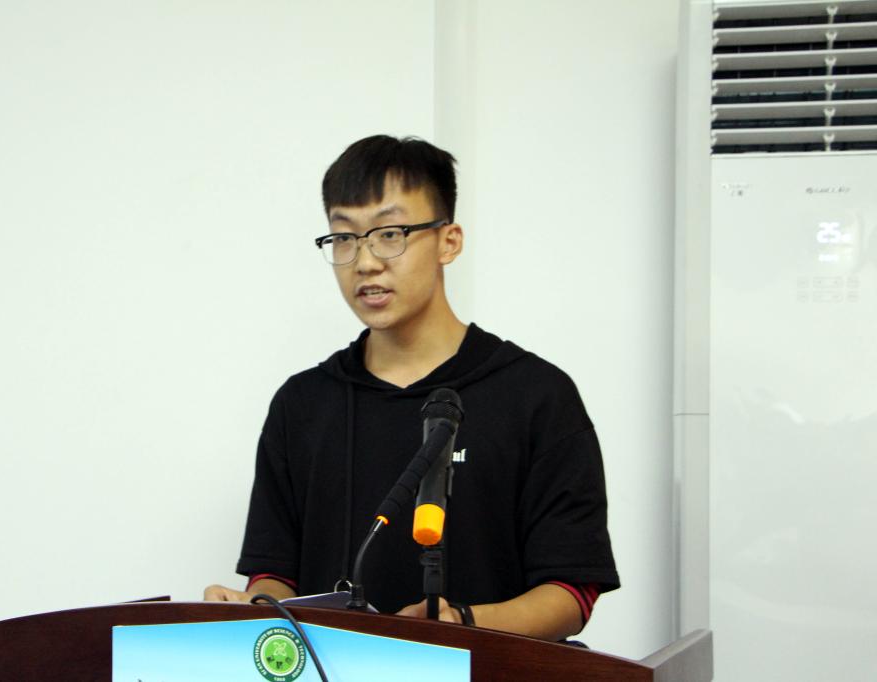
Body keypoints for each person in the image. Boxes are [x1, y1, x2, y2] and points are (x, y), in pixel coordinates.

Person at [204, 135, 618, 640]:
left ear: (449, 241)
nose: (365, 261)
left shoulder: (537, 395)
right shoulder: (303, 404)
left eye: (390, 233)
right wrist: (253, 605)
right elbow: (276, 574)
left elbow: (572, 591)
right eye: (344, 238)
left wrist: (460, 625)